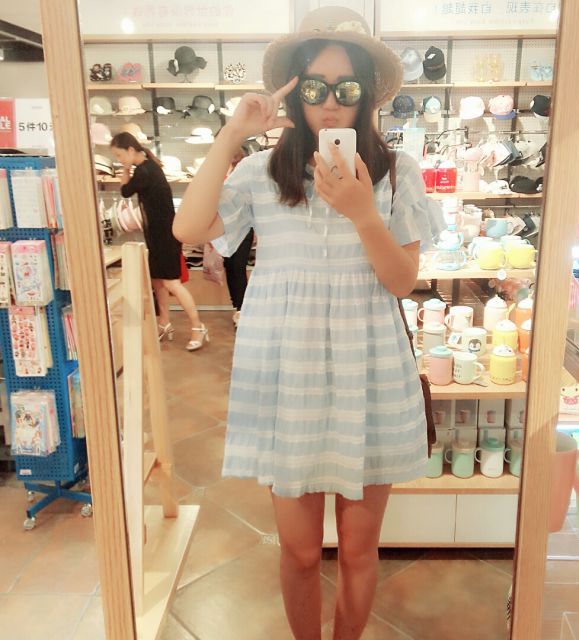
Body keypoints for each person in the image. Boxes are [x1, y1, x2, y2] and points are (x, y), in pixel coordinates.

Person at [174, 6, 443, 639]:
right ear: (294, 92)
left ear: (366, 94)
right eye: (315, 86)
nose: (329, 103)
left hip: (369, 368)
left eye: (346, 88)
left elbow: (401, 281)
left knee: (358, 551)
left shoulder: (397, 172)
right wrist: (232, 133)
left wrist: (362, 212)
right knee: (298, 552)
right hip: (286, 372)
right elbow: (187, 228)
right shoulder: (261, 172)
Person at [110, 132, 208, 351]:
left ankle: (198, 327)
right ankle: (164, 323)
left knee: (171, 283)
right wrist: (127, 167)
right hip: (157, 235)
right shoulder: (147, 167)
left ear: (131, 150)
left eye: (119, 155)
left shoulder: (144, 171)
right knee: (157, 281)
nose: (119, 160)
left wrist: (125, 170)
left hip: (165, 236)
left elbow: (125, 191)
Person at [224, 145, 255, 327]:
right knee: (229, 266)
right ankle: (237, 306)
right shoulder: (224, 170)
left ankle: (243, 309)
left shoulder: (244, 171)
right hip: (226, 228)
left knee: (238, 267)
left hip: (244, 227)